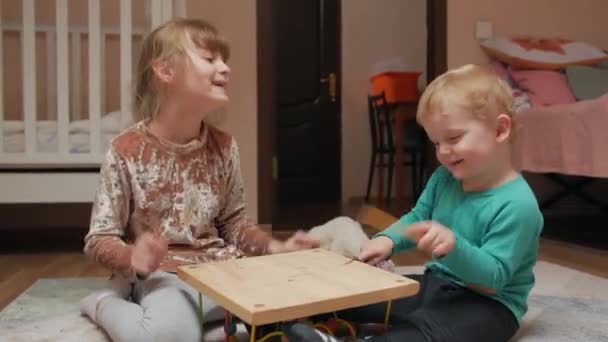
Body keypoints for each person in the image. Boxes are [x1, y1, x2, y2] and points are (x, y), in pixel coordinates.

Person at [79, 17, 318, 342]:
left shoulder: (223, 146)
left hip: (226, 269)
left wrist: (276, 247)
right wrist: (132, 257)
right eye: (209, 59)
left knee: (302, 301)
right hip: (166, 275)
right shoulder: (126, 150)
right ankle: (104, 303)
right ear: (165, 71)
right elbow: (99, 239)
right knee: (163, 335)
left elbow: (234, 225)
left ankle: (218, 327)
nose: (225, 69)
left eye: (224, 60)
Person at [283, 64, 544, 342]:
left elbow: (494, 278)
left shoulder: (519, 205)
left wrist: (453, 247)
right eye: (435, 142)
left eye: (454, 138)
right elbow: (417, 217)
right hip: (436, 285)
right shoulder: (445, 178)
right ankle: (291, 320)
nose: (443, 152)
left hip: (488, 306)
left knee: (423, 332)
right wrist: (388, 241)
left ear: (500, 129)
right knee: (356, 296)